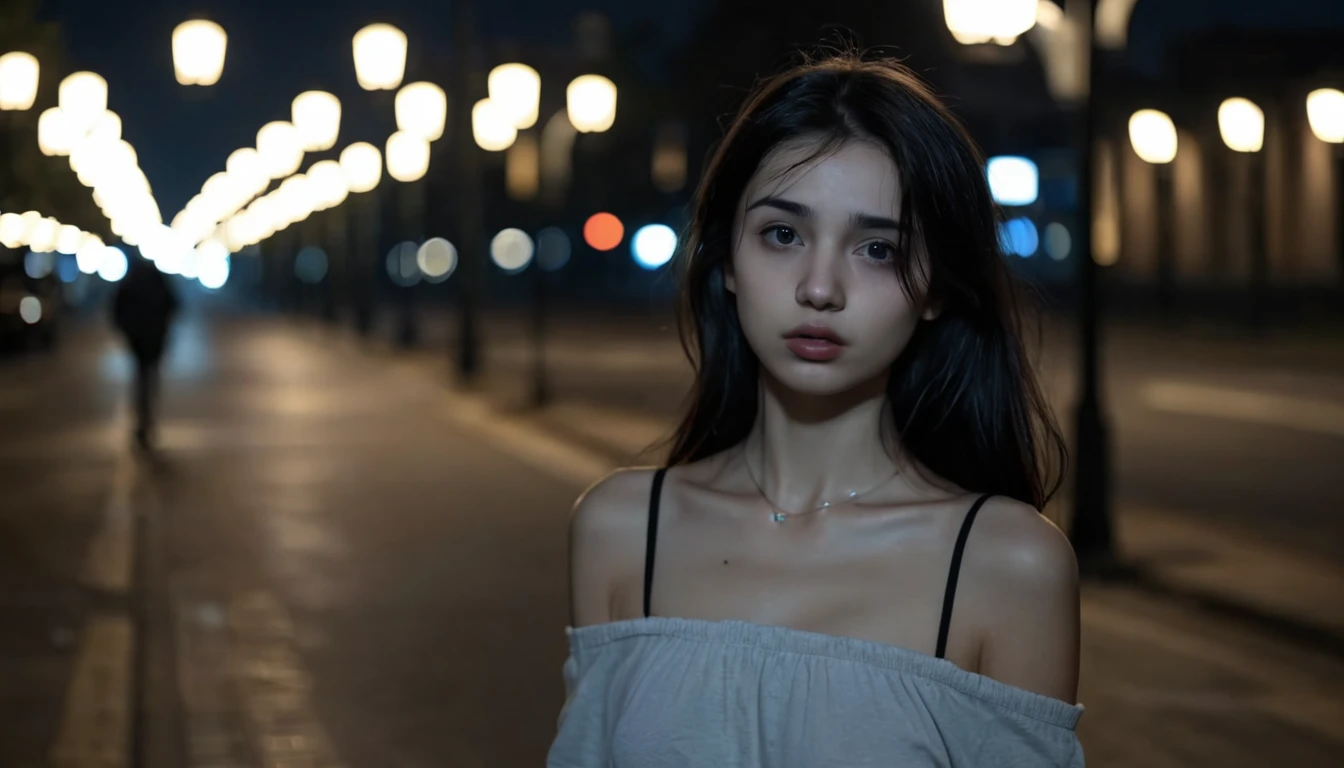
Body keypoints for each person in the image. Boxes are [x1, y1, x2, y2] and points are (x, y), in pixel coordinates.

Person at [551, 51, 1082, 766]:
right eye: (783, 234)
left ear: (935, 289)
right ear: (728, 261)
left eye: (876, 249)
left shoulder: (1008, 564)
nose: (820, 287)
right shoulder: (620, 531)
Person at [111, 254, 179, 449]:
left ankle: (143, 420)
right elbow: (174, 305)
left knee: (141, 379)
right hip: (152, 340)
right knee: (149, 380)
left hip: (139, 340)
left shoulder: (130, 283)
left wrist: (126, 330)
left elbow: (116, 309)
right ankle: (146, 420)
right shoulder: (159, 282)